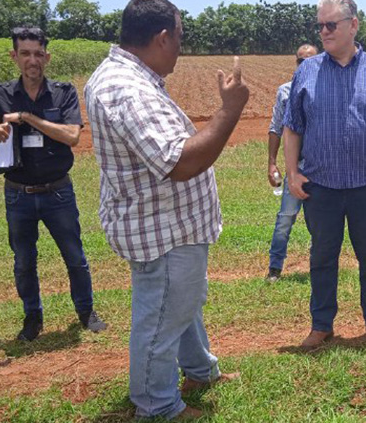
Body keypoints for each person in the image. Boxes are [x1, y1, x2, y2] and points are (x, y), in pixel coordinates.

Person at [84, 0, 248, 419]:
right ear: (161, 38)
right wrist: (230, 109)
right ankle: (156, 405)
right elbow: (180, 162)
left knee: (180, 304)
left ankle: (199, 371)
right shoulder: (127, 88)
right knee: (159, 321)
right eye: (178, 37)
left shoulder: (131, 77)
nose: (180, 46)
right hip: (163, 230)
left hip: (168, 225)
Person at [283, 0, 366, 348]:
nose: (323, 32)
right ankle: (321, 324)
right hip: (320, 187)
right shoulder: (306, 72)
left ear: (353, 25)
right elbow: (292, 128)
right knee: (322, 258)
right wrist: (292, 173)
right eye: (320, 26)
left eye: (330, 25)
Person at [0, 27, 106, 342]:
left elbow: (72, 136)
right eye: (25, 53)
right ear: (14, 56)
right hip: (18, 193)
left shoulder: (63, 93)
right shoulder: (2, 94)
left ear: (47, 56)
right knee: (23, 262)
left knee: (75, 256)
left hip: (58, 191)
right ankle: (32, 318)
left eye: (38, 53)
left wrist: (29, 118)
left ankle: (86, 311)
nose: (32, 60)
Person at [266, 43, 318, 282]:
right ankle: (275, 268)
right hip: (295, 168)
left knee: (319, 221)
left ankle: (319, 266)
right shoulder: (285, 91)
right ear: (295, 63)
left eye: (310, 59)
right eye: (300, 60)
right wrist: (272, 163)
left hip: (321, 168)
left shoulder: (327, 90)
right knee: (286, 218)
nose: (305, 64)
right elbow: (276, 128)